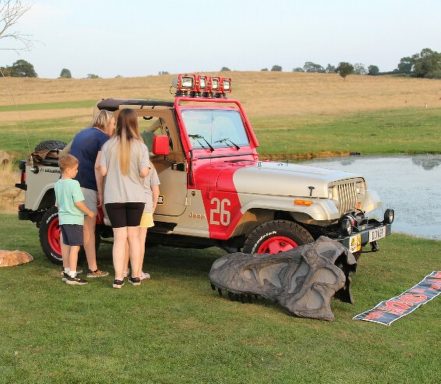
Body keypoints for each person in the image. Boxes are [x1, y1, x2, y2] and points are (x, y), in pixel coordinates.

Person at [99, 109, 150, 289]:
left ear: (118, 123)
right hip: (136, 197)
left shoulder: (107, 146)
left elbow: (103, 171)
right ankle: (135, 276)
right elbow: (144, 172)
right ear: (135, 123)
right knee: (134, 237)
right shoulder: (141, 147)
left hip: (114, 197)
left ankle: (118, 278)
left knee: (119, 237)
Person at [69, 110, 115, 278]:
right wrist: (101, 192)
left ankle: (68, 267)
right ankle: (93, 268)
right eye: (113, 124)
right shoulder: (103, 139)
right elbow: (99, 167)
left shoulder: (82, 133)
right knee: (89, 228)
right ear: (107, 123)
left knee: (70, 226)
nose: (114, 128)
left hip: (70, 184)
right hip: (87, 186)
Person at [55, 154, 95, 285]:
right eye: (75, 169)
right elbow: (78, 202)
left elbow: (58, 204)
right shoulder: (74, 184)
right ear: (68, 170)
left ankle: (67, 271)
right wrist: (89, 212)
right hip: (74, 220)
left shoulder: (57, 184)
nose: (77, 171)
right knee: (75, 247)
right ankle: (72, 274)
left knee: (66, 245)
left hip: (63, 220)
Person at [124, 164, 160, 280]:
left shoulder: (128, 163)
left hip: (129, 202)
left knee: (126, 239)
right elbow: (155, 189)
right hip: (145, 204)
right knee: (140, 240)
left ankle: (124, 270)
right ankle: (138, 272)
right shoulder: (150, 166)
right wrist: (154, 205)